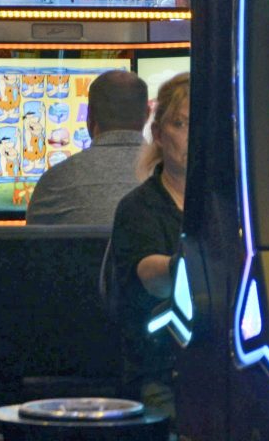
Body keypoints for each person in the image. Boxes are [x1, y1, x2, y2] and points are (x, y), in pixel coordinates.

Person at [109, 72, 189, 409]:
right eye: (180, 124)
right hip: (163, 372)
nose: (192, 137)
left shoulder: (234, 204)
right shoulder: (139, 206)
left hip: (229, 366)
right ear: (157, 133)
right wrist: (194, 260)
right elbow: (152, 276)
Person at [26, 70, 149, 225]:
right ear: (147, 115)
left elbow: (32, 246)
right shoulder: (176, 179)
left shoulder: (53, 183)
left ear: (89, 116)